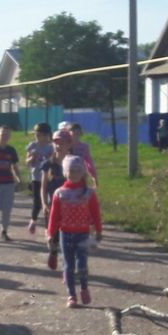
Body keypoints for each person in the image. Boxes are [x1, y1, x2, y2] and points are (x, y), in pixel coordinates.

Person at [46, 154, 103, 308]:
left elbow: (96, 213)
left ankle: (84, 288)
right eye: (71, 171)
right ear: (65, 173)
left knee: (82, 264)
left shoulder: (88, 193)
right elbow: (54, 215)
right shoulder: (60, 193)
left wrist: (98, 230)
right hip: (65, 234)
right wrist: (51, 233)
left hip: (83, 234)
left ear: (83, 172)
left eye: (77, 171)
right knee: (68, 265)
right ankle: (71, 295)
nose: (74, 174)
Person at [25, 122, 52, 235]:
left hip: (49, 178)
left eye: (39, 134)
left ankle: (48, 228)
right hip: (36, 177)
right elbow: (27, 163)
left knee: (49, 203)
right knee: (38, 202)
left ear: (47, 135)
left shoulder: (51, 147)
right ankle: (33, 220)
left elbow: (54, 162)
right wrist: (31, 157)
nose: (37, 136)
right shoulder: (32, 145)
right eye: (36, 134)